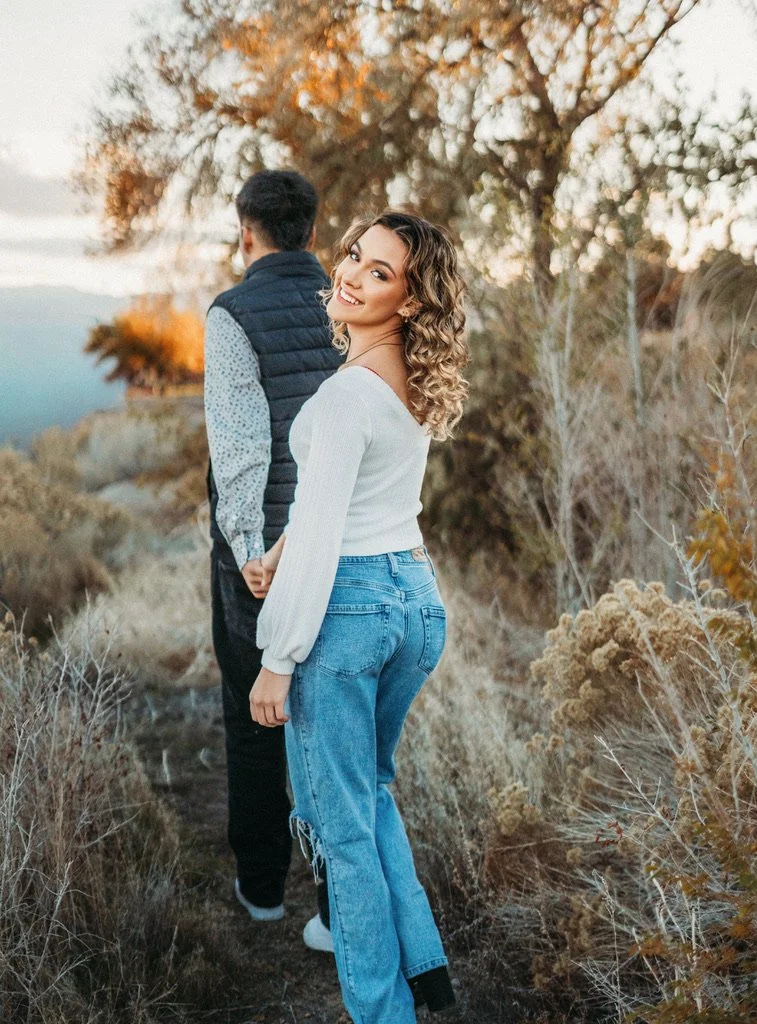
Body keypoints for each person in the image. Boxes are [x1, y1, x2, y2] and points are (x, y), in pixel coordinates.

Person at [249, 210, 470, 1022]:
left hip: (351, 612)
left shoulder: (347, 395)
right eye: (353, 255)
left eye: (379, 272)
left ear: (409, 302)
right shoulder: (403, 383)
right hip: (412, 598)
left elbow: (333, 531)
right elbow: (346, 506)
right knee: (369, 795)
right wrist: (279, 548)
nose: (349, 274)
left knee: (340, 832)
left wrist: (278, 656)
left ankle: (382, 1014)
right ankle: (424, 974)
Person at [204, 169, 340, 947]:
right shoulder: (353, 303)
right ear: (313, 234)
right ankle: (333, 901)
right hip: (342, 543)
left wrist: (250, 553)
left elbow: (241, 448)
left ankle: (261, 889)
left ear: (246, 230)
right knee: (327, 721)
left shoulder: (232, 314)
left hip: (262, 556)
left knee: (251, 715)